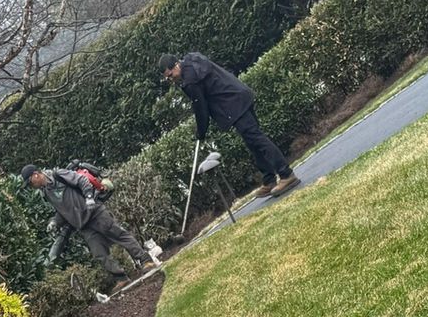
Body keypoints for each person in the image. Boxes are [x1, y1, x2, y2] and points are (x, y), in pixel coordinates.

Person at [161, 51, 299, 198]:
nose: (171, 79)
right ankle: (269, 179)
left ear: (176, 65)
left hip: (234, 105)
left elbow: (201, 108)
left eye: (170, 75)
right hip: (239, 96)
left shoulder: (191, 80)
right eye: (167, 78)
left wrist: (200, 133)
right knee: (252, 143)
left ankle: (286, 174)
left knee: (257, 140)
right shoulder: (194, 60)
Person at [21, 165, 157, 285]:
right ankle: (121, 277)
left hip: (95, 213)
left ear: (36, 175)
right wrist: (54, 222)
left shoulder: (59, 175)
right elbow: (62, 211)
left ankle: (145, 260)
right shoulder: (46, 192)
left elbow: (82, 180)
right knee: (99, 253)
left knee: (119, 235)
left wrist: (89, 198)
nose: (31, 186)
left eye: (30, 182)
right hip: (83, 225)